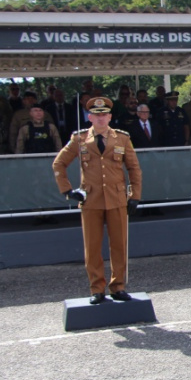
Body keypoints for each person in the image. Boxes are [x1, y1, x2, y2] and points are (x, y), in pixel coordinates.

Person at [52, 97, 142, 304]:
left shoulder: (122, 138)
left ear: (110, 116)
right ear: (90, 117)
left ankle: (118, 286)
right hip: (90, 199)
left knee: (119, 245)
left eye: (104, 115)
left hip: (117, 199)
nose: (101, 118)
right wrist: (67, 190)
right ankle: (97, 288)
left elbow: (134, 168)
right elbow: (59, 164)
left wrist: (135, 195)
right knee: (92, 247)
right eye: (97, 115)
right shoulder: (79, 139)